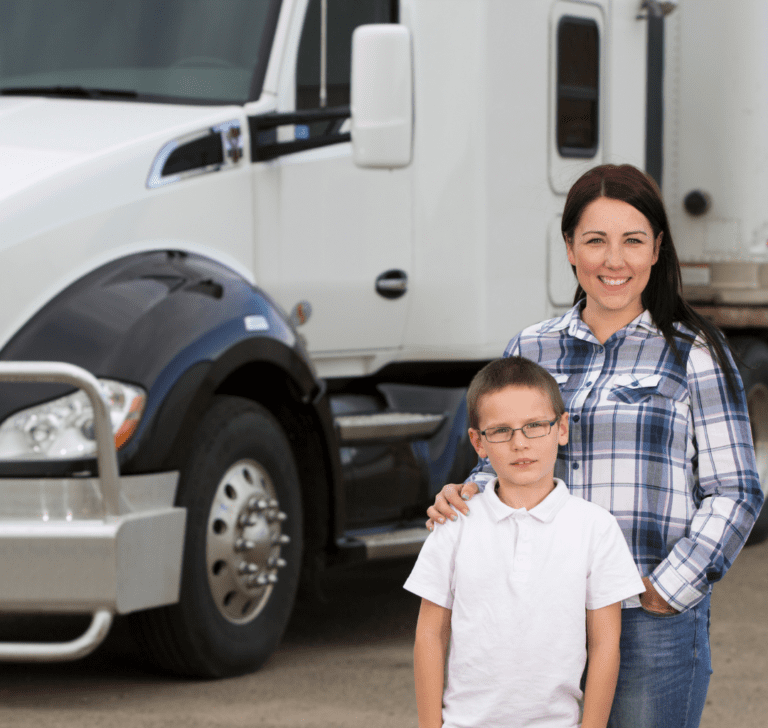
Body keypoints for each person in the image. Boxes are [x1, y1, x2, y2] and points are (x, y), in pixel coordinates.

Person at [426, 164, 764, 728]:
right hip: (534, 622)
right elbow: (500, 465)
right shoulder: (532, 348)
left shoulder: (693, 353)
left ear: (657, 249)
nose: (614, 261)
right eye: (595, 241)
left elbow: (736, 490)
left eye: (632, 241)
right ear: (569, 249)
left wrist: (664, 590)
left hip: (645, 620)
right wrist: (464, 496)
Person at [405, 356, 645, 728]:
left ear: (561, 428)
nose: (519, 443)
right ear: (478, 442)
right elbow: (429, 635)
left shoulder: (596, 528)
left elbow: (605, 645)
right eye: (501, 430)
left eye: (535, 426)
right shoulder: (455, 523)